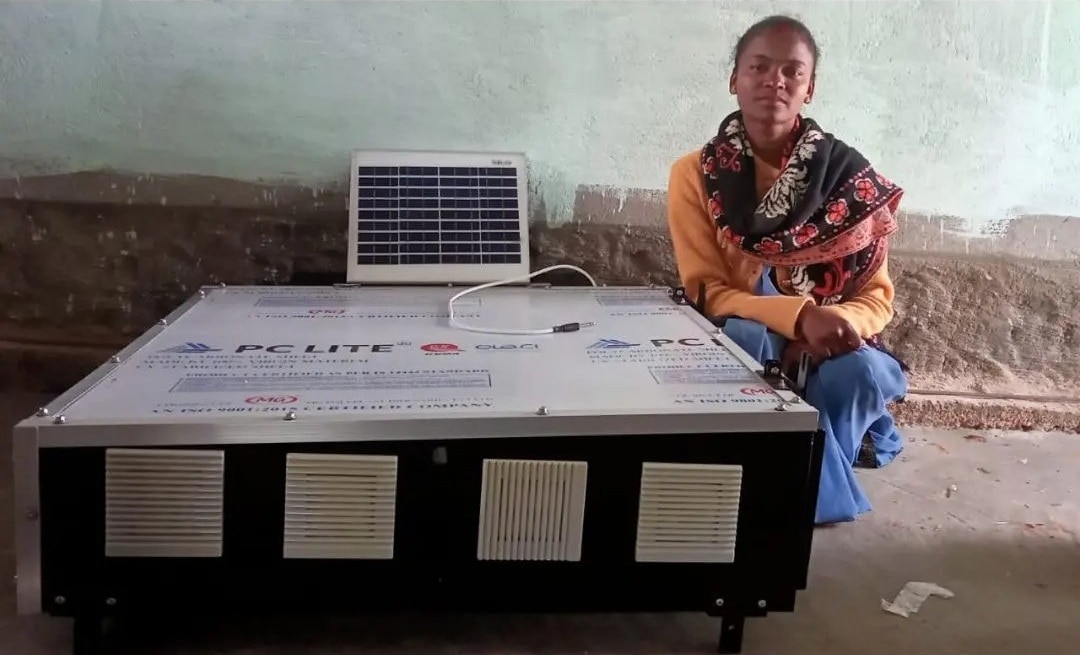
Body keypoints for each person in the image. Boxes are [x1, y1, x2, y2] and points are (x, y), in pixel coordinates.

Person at [666, 14, 909, 525]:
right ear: (735, 79)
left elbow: (876, 298)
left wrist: (832, 329)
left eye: (792, 72)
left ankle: (793, 481)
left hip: (832, 339)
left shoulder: (848, 179)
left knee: (860, 372)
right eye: (759, 67)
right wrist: (798, 318)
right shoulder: (694, 174)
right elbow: (706, 291)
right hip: (748, 331)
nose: (774, 81)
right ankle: (810, 492)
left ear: (810, 88)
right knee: (746, 342)